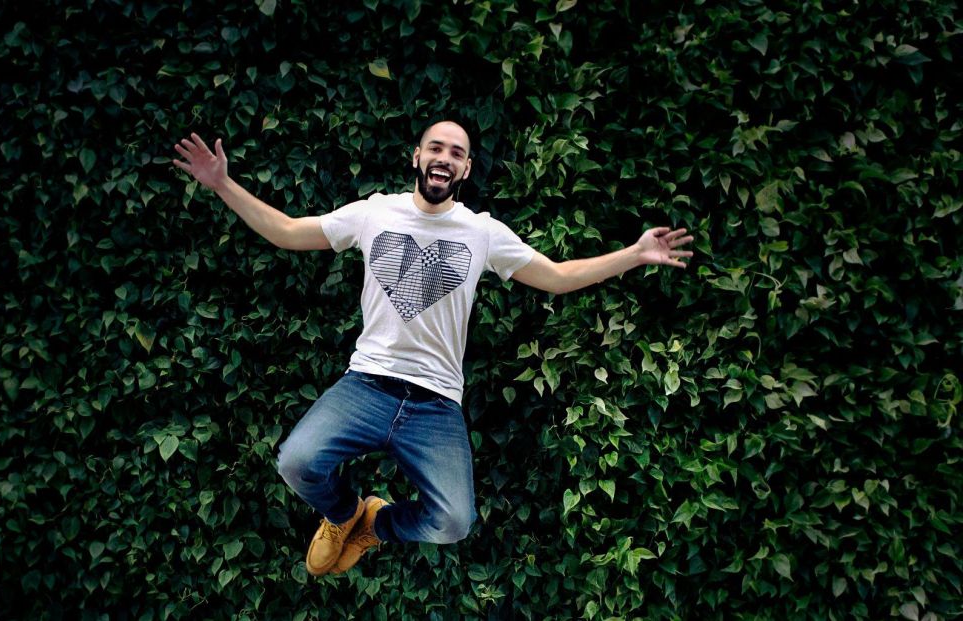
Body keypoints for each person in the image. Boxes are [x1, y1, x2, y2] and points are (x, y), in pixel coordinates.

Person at [171, 121, 693, 576]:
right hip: (367, 385)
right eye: (436, 148)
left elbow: (556, 276)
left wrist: (635, 253)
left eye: (457, 153)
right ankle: (342, 512)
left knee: (453, 522)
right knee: (296, 462)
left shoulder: (482, 232)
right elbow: (286, 232)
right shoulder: (374, 214)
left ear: (464, 171)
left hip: (435, 403)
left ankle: (375, 523)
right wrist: (222, 184)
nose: (445, 158)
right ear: (417, 158)